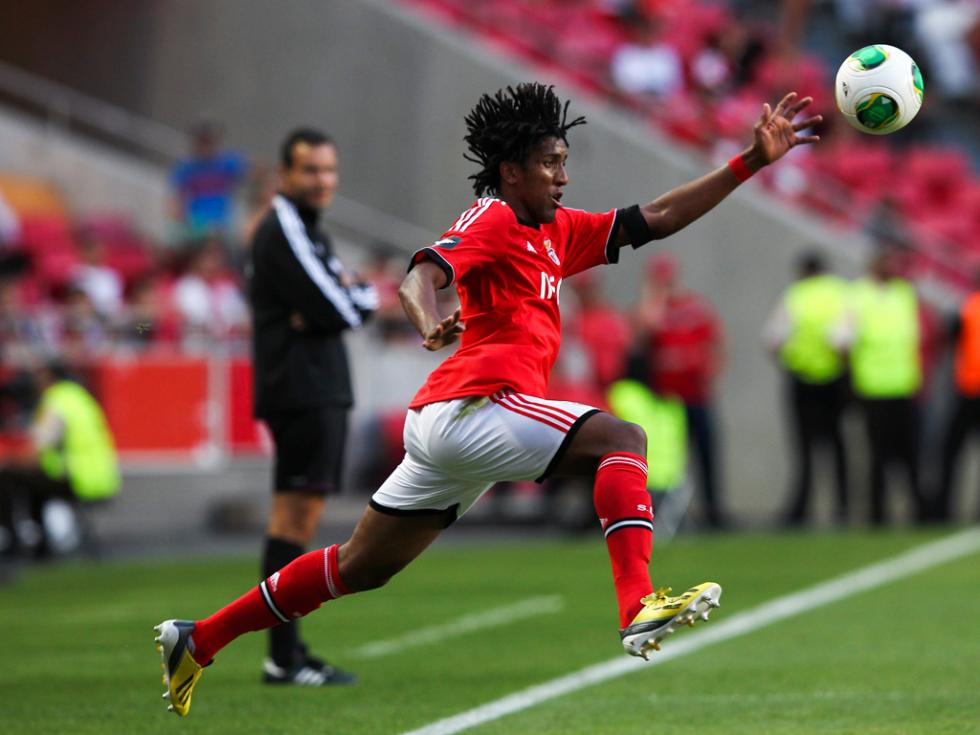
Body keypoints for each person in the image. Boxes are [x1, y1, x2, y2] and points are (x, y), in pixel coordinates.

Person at [154, 83, 820, 717]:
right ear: (510, 171)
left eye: (564, 162)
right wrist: (424, 318)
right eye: (550, 163)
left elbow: (661, 215)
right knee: (623, 440)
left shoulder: (560, 232)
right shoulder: (495, 216)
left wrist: (750, 162)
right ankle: (637, 603)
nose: (563, 176)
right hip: (471, 407)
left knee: (359, 567)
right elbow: (423, 275)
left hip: (466, 431)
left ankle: (199, 639)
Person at [245, 128, 378, 687]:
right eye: (309, 171)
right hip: (303, 388)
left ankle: (286, 653)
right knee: (293, 524)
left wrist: (349, 295)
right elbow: (344, 306)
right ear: (284, 175)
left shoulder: (305, 228)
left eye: (328, 170)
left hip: (312, 386)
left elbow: (349, 298)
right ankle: (284, 655)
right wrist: (349, 296)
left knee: (296, 522)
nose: (322, 181)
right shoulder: (284, 227)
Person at [634, 252, 729, 529]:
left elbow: (717, 342)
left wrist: (710, 372)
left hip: (697, 395)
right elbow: (641, 333)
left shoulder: (694, 308)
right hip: (667, 401)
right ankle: (672, 517)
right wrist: (652, 299)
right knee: (672, 462)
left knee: (707, 454)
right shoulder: (653, 310)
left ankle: (713, 513)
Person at [763, 252, 850, 526]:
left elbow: (773, 341)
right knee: (837, 446)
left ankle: (802, 509)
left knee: (804, 448)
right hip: (834, 380)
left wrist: (792, 360)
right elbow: (843, 342)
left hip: (802, 380)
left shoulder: (795, 296)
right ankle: (842, 508)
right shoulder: (840, 294)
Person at [0, 361, 120, 558]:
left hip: (78, 479)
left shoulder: (56, 403)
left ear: (48, 377)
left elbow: (36, 451)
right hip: (101, 479)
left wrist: (9, 461)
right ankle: (41, 545)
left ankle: (14, 543)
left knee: (7, 478)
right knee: (34, 484)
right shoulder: (80, 397)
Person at [845, 246, 925, 526]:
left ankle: (919, 513)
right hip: (873, 387)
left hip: (903, 386)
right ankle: (878, 514)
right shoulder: (858, 295)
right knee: (878, 455)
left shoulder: (904, 292)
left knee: (910, 455)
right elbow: (842, 338)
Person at [932, 270, 980, 522]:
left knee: (951, 452)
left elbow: (949, 339)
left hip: (968, 391)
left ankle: (942, 508)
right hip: (968, 391)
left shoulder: (966, 308)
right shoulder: (967, 309)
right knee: (952, 451)